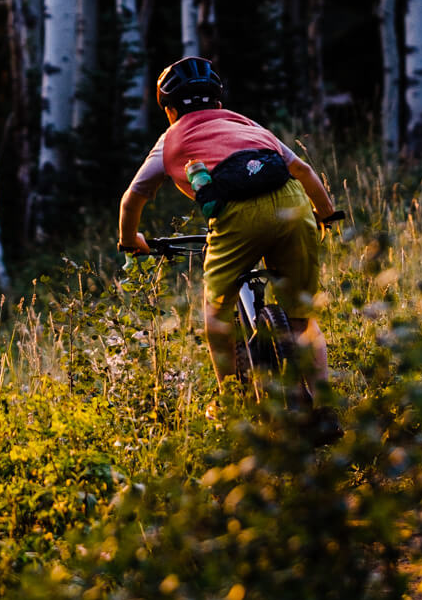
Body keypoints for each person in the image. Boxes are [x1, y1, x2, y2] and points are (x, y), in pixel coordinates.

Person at [118, 57, 340, 417]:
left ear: (170, 111)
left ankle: (230, 402)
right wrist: (326, 216)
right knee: (302, 316)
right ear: (218, 102)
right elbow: (302, 169)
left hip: (236, 216)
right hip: (292, 203)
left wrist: (131, 242)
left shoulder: (170, 138)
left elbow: (133, 198)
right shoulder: (246, 124)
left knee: (216, 311)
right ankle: (326, 406)